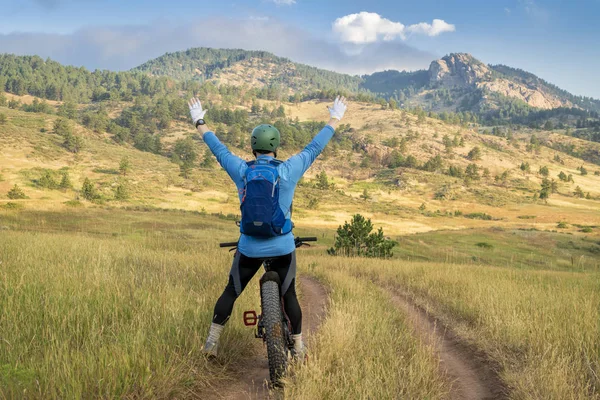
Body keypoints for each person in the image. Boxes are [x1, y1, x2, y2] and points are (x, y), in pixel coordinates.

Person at [188, 96, 348, 358]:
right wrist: (335, 117)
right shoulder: (288, 170)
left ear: (253, 147)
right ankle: (297, 346)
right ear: (276, 147)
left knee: (231, 291)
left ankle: (211, 343)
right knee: (291, 295)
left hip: (249, 247)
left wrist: (199, 120)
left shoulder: (241, 170)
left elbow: (218, 149)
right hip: (283, 245)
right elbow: (314, 147)